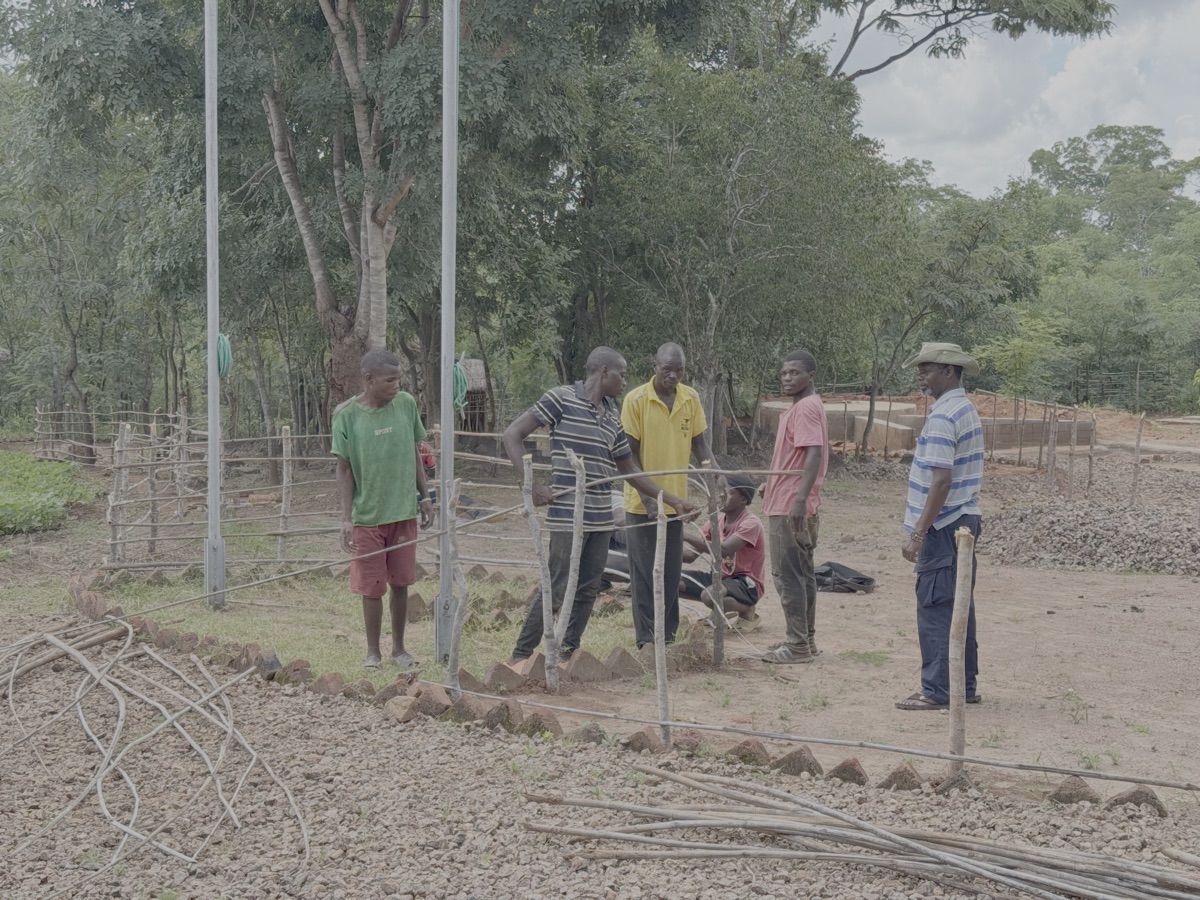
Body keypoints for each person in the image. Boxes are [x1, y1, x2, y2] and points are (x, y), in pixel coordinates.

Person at [502, 347, 695, 665]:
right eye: (622, 374)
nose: (625, 381)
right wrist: (532, 485)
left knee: (588, 588)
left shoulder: (613, 418)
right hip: (568, 515)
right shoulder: (561, 398)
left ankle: (566, 655)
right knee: (558, 586)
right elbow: (512, 434)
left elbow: (630, 471)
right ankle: (520, 656)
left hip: (601, 517)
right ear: (605, 371)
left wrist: (674, 501)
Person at [896, 342, 985, 710]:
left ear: (949, 371)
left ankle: (937, 690)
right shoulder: (965, 409)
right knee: (958, 604)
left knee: (935, 606)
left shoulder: (944, 416)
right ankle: (963, 685)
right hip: (962, 520)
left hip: (943, 525)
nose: (922, 376)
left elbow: (941, 481)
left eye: (928, 369)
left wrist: (918, 533)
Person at [332, 349, 434, 670]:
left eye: (398, 379)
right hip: (367, 517)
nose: (396, 385)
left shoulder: (406, 405)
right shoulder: (347, 415)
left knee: (401, 583)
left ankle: (399, 649)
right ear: (369, 379)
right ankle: (373, 652)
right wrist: (346, 519)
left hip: (402, 512)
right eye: (390, 380)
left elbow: (415, 453)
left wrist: (425, 497)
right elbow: (344, 469)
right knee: (372, 587)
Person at [621, 342, 715, 649]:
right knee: (645, 573)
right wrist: (650, 500)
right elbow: (629, 456)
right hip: (642, 503)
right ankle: (647, 641)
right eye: (667, 369)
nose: (673, 376)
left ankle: (668, 638)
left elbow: (700, 445)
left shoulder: (690, 398)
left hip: (678, 504)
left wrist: (715, 476)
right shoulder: (636, 400)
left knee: (671, 573)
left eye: (679, 370)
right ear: (655, 365)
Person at [760, 349, 828, 664]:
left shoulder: (806, 408)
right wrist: (772, 482)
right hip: (791, 498)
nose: (787, 378)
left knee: (787, 576)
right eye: (784, 373)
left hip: (791, 506)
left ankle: (797, 644)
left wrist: (799, 499)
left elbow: (814, 453)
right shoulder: (804, 407)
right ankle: (806, 640)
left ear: (810, 376)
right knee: (802, 574)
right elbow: (797, 457)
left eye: (794, 373)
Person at [679, 473, 765, 625]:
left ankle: (746, 609)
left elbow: (724, 550)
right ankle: (719, 608)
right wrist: (665, 545)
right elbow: (690, 556)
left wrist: (684, 536)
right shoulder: (714, 523)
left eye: (728, 492)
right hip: (720, 578)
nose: (721, 495)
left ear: (743, 500)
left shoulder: (751, 523)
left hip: (745, 583)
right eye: (720, 491)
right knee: (671, 581)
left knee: (710, 596)